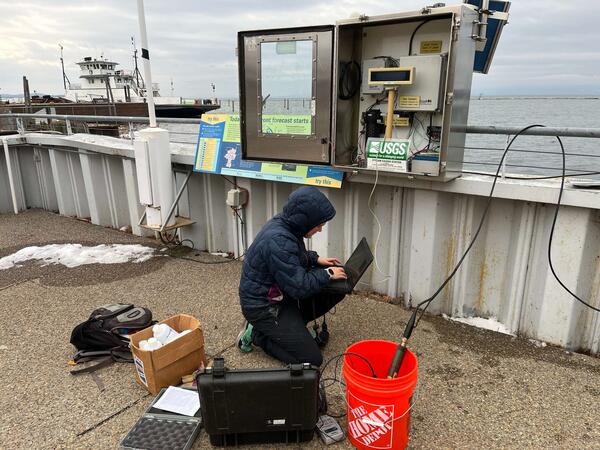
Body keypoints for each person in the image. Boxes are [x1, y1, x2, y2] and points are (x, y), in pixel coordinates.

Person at [237, 186, 347, 366]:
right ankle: (258, 334)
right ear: (305, 220)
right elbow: (299, 287)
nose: (319, 229)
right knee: (311, 360)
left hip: (279, 295)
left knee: (338, 288)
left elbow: (292, 257)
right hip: (264, 307)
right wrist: (327, 274)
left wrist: (316, 259)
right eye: (318, 224)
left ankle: (288, 331)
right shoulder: (278, 239)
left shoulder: (287, 226)